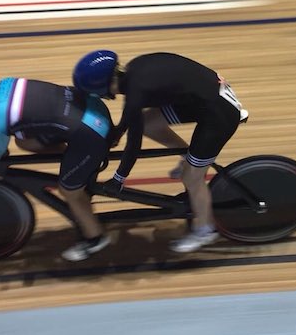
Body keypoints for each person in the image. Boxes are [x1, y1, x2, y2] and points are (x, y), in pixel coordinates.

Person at [0, 66, 113, 261]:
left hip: (91, 133)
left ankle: (95, 238)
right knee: (24, 140)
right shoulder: (6, 85)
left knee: (68, 191)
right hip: (92, 109)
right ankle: (75, 164)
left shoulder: (0, 116)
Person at [72, 50, 249, 253]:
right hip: (206, 97)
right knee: (149, 124)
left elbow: (134, 145)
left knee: (192, 178)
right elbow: (133, 115)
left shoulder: (136, 92)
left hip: (218, 113)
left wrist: (119, 178)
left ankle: (205, 230)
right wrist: (119, 131)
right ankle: (188, 156)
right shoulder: (134, 71)